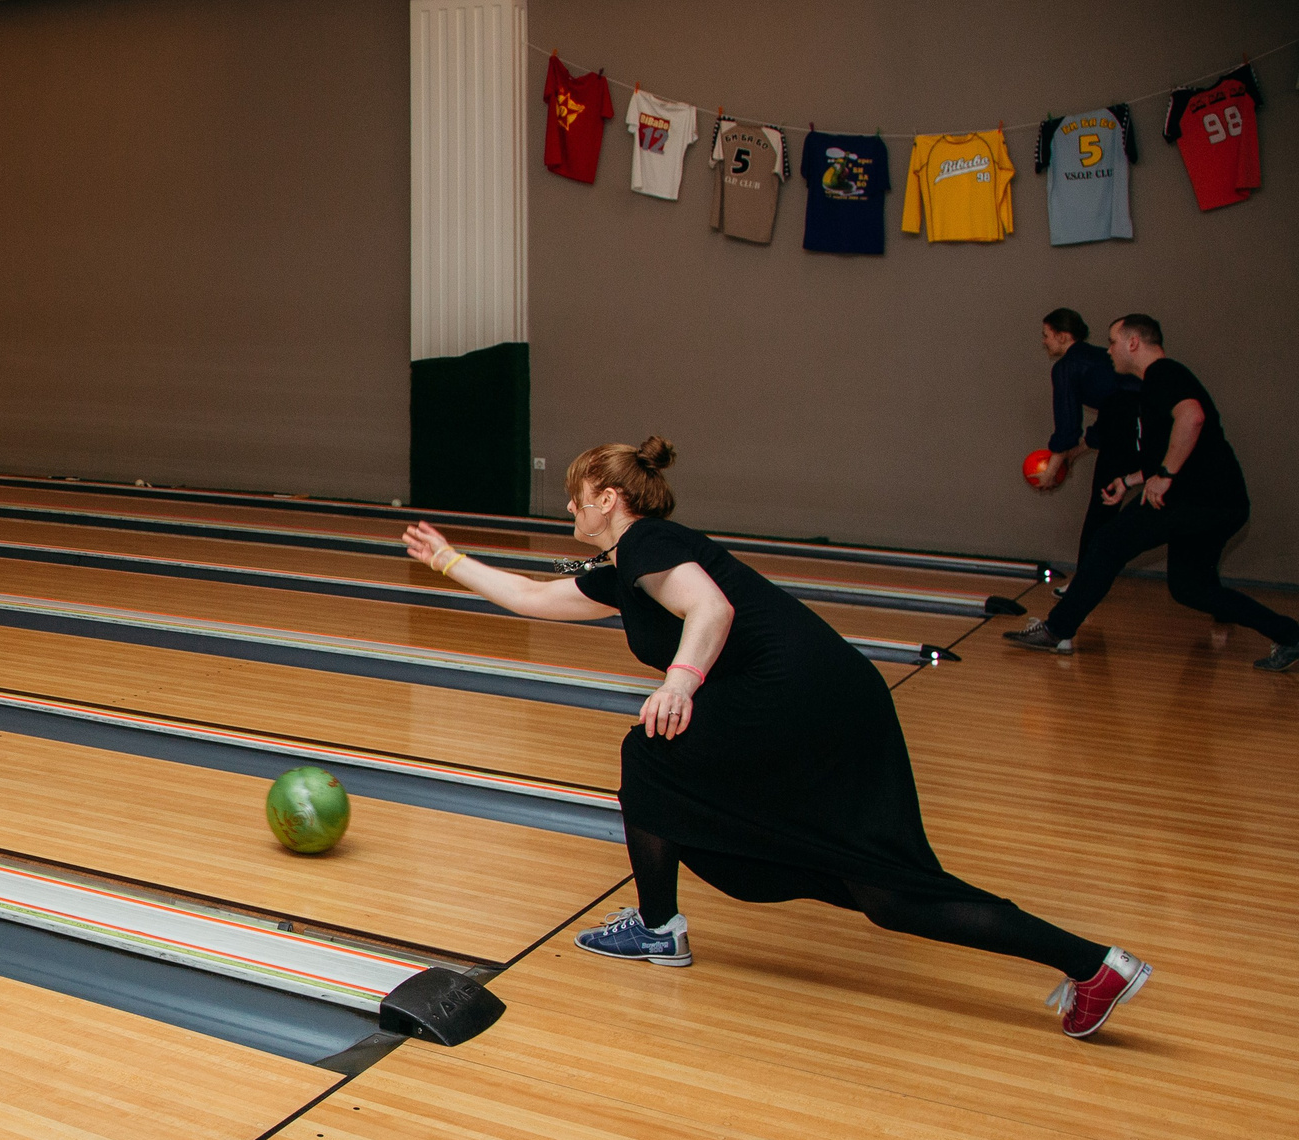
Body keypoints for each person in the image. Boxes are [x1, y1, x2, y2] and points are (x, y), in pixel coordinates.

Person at [404, 439, 1150, 1040]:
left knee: (650, 755)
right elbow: (535, 596)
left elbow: (712, 610)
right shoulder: (630, 566)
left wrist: (680, 683)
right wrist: (447, 560)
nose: (568, 506)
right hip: (827, 700)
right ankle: (1094, 965)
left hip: (797, 698)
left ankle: (659, 928)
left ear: (609, 499)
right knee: (885, 892)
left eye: (577, 494)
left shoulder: (649, 541)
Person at [1008, 314, 1299, 669]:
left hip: (1195, 499)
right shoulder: (1152, 385)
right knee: (1190, 588)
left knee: (1108, 542)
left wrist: (1164, 475)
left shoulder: (1164, 373)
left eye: (1113, 342)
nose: (1108, 350)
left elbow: (1192, 418)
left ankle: (1056, 630)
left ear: (1133, 343)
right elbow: (1172, 446)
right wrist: (1130, 481)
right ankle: (1291, 635)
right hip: (1219, 502)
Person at [1036, 307, 1137, 578]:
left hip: (1129, 433)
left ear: (1063, 336)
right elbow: (1108, 418)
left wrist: (1050, 470)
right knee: (1109, 510)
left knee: (1100, 511)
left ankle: (1084, 581)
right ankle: (1090, 577)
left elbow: (1067, 426)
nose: (1044, 341)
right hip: (1141, 429)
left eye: (1046, 335)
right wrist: (1074, 455)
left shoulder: (1066, 367)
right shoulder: (1098, 357)